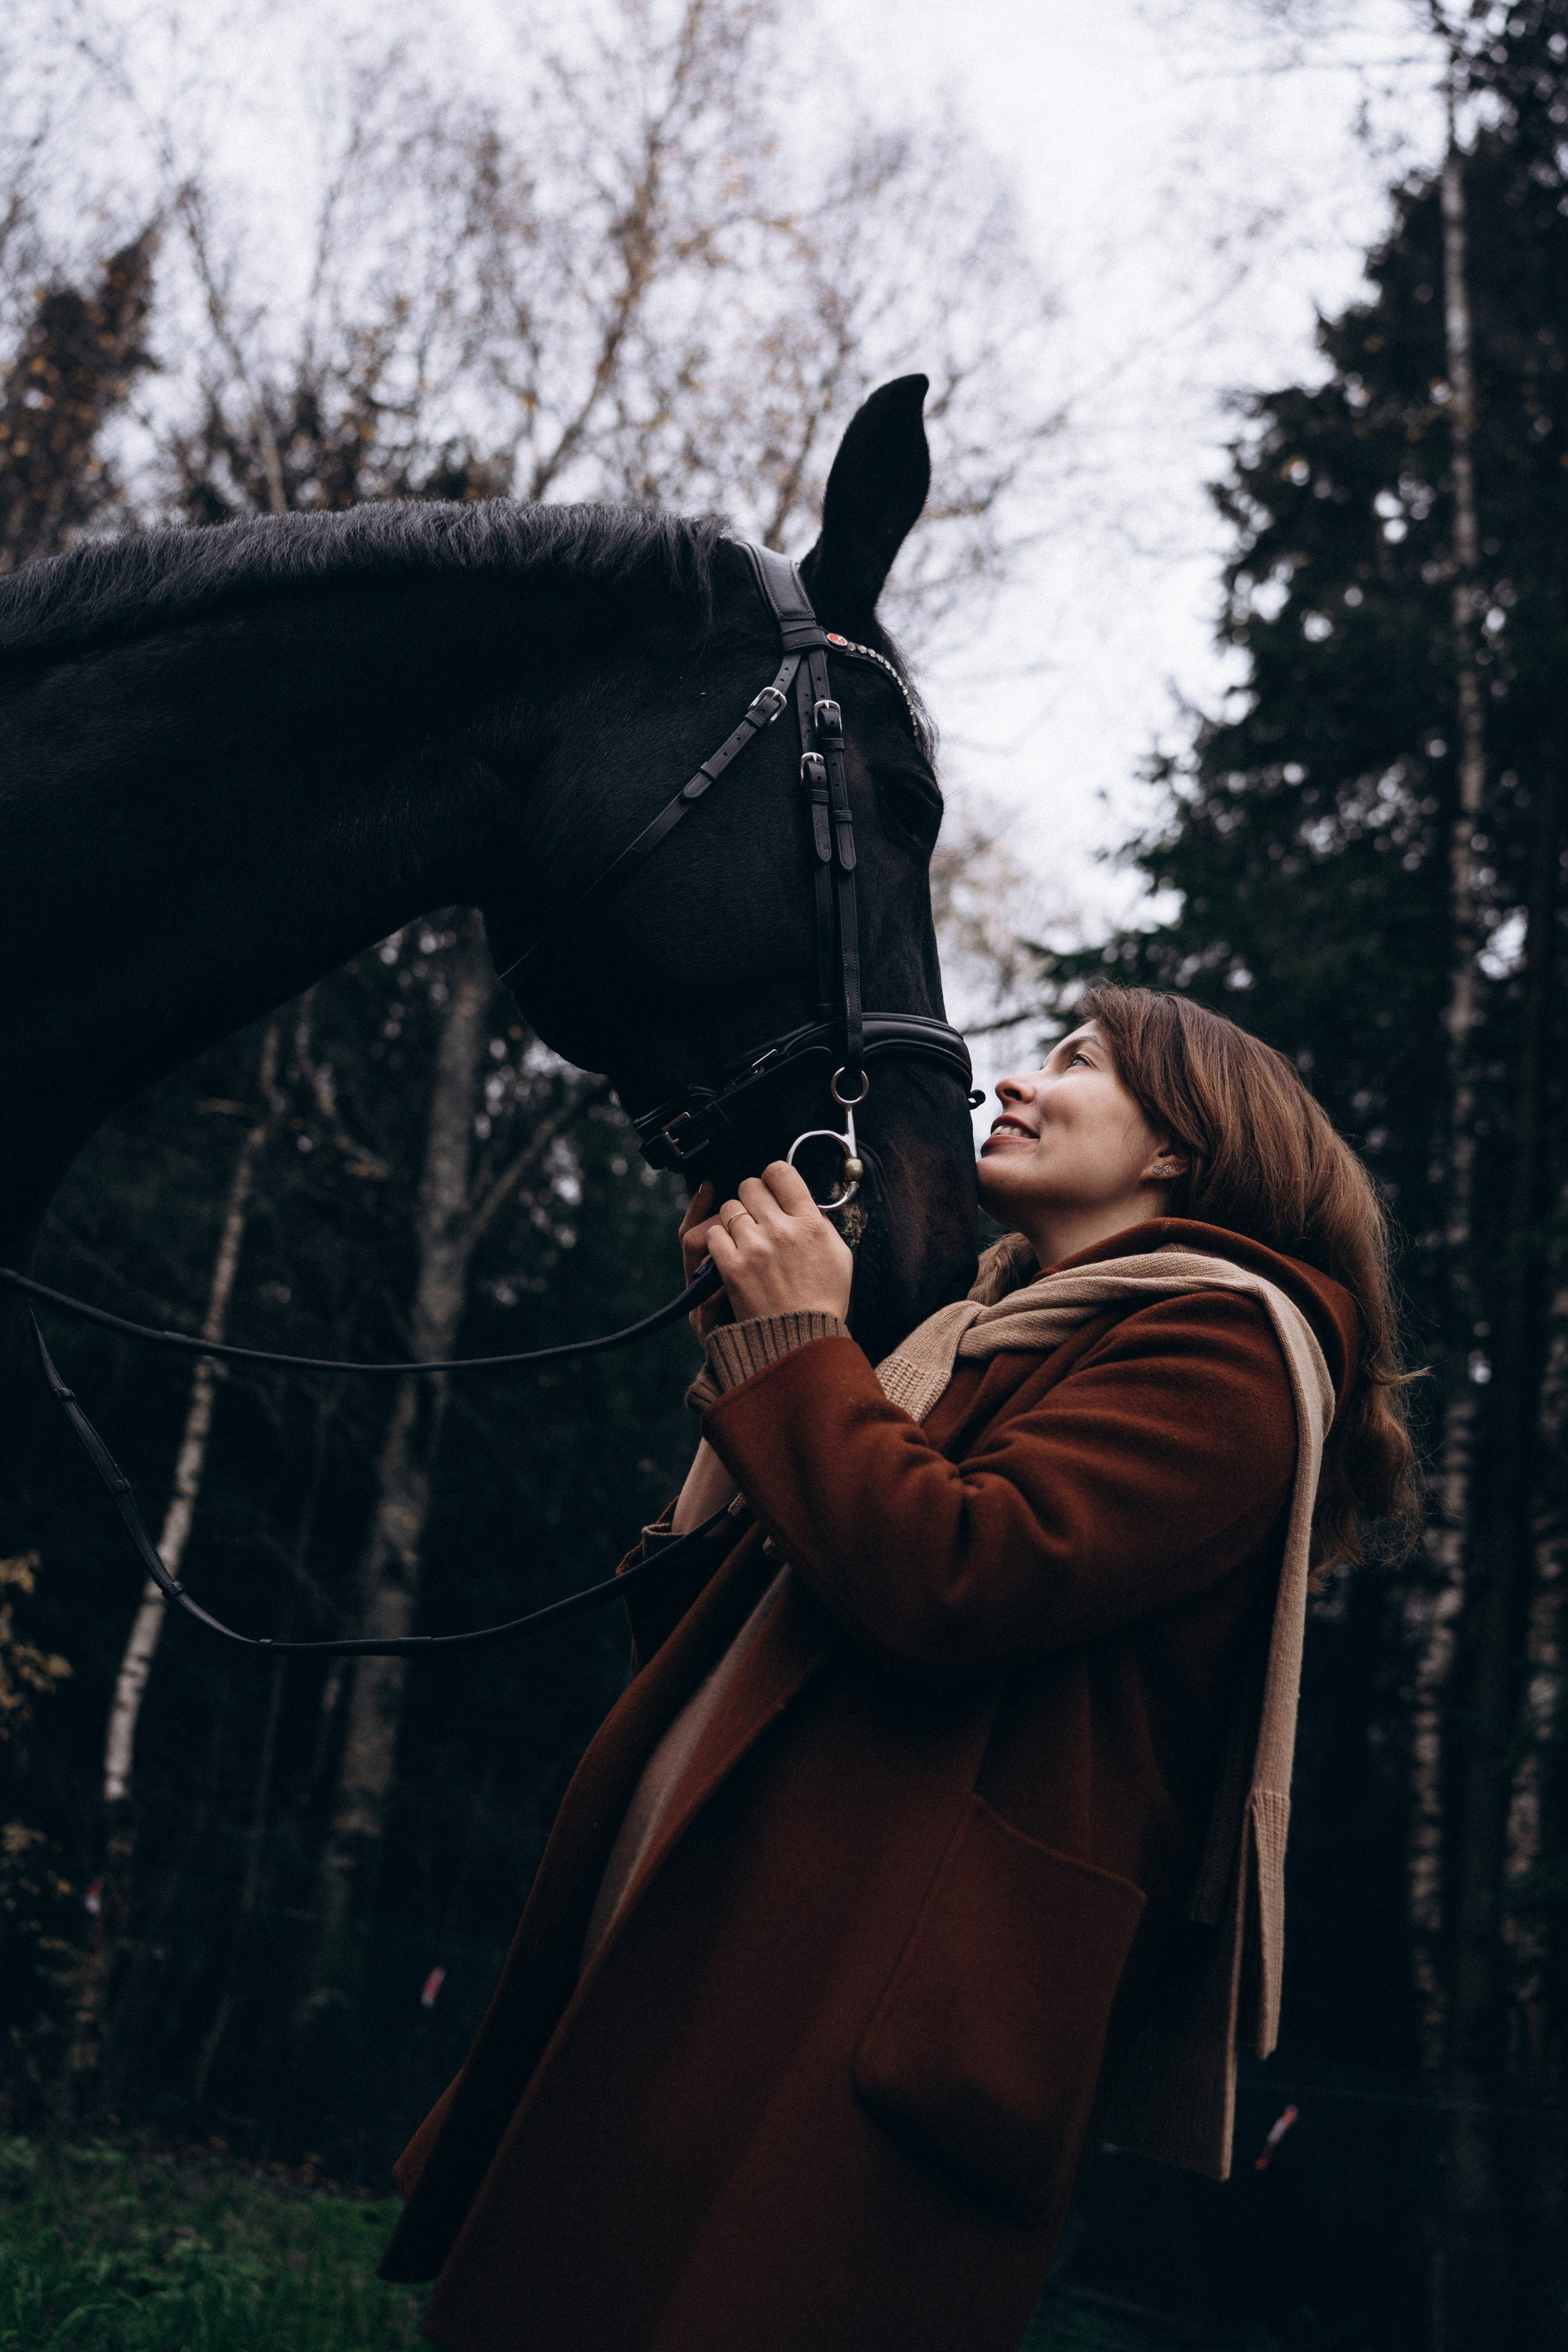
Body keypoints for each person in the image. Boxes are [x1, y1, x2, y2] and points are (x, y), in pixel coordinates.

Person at [380, 984, 1420, 2352]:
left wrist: (801, 1350)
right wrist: (746, 1346)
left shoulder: (1226, 1347)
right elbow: (729, 1645)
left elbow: (952, 1577)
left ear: (1181, 1144)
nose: (1014, 1086)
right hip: (732, 1948)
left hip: (870, 2012)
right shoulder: (976, 1342)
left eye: (1075, 1062)